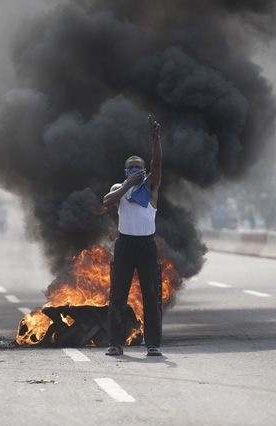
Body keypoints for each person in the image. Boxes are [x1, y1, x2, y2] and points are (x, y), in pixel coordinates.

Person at [102, 115, 163, 357]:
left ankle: (153, 344)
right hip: (125, 245)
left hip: (146, 246)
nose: (135, 168)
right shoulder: (119, 189)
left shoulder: (151, 189)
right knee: (118, 295)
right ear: (125, 171)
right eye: (131, 166)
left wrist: (155, 140)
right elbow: (106, 202)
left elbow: (158, 164)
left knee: (151, 295)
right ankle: (115, 343)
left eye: (138, 166)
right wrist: (128, 184)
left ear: (145, 169)